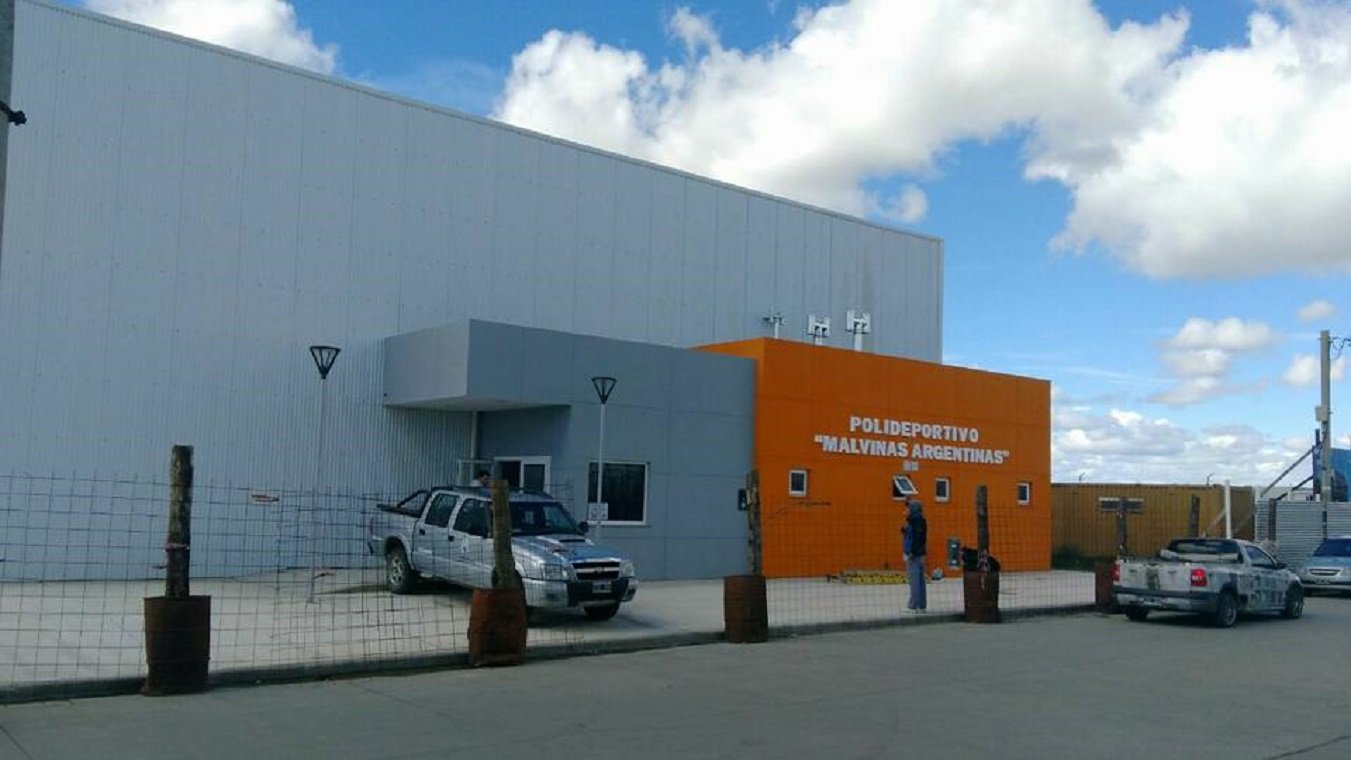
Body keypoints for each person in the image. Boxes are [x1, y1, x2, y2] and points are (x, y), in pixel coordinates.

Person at [903, 499, 928, 612]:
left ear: (913, 509)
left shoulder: (914, 521)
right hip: (919, 552)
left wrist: (912, 552)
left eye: (907, 508)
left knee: (914, 579)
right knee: (920, 579)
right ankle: (921, 604)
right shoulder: (919, 520)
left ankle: (914, 605)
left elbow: (917, 538)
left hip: (914, 554)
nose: (906, 510)